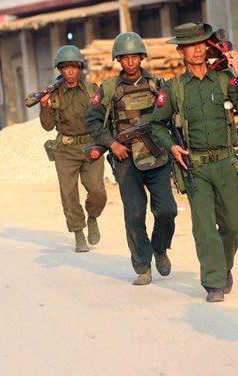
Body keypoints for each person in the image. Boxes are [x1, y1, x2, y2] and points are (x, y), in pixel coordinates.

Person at [150, 22, 238, 302]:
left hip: (225, 162)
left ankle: (224, 266)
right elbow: (156, 125)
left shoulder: (223, 80)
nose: (198, 50)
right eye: (191, 46)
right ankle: (213, 282)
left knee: (233, 224)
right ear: (181, 51)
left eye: (202, 44)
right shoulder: (174, 89)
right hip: (195, 166)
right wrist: (171, 146)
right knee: (205, 228)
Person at [85, 32, 177, 285]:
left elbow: (172, 114)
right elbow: (92, 121)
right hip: (126, 160)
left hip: (157, 156)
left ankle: (160, 248)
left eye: (134, 57)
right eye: (125, 58)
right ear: (118, 60)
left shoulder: (158, 84)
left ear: (141, 57)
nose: (130, 62)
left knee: (167, 210)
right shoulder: (108, 89)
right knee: (135, 215)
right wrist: (112, 144)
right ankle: (142, 265)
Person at [39, 45, 107, 252]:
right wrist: (45, 106)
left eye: (74, 67)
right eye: (65, 67)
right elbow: (48, 126)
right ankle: (78, 232)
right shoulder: (53, 95)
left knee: (97, 191)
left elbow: (103, 117)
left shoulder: (91, 90)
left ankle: (93, 217)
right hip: (66, 149)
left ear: (79, 68)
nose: (70, 71)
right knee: (69, 193)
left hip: (90, 145)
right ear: (60, 70)